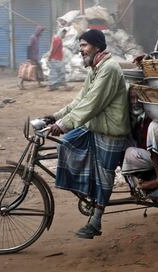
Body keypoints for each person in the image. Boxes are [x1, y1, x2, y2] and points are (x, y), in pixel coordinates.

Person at [45, 29, 130, 239]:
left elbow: (91, 105)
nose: (81, 50)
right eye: (80, 46)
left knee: (105, 175)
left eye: (84, 45)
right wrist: (54, 117)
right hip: (95, 126)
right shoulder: (95, 68)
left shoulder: (109, 68)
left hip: (111, 131)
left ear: (97, 47)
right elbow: (80, 100)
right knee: (66, 143)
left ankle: (96, 220)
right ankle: (86, 190)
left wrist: (64, 123)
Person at [18, 26, 46, 90]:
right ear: (38, 31)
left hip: (35, 57)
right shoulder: (32, 37)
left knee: (38, 69)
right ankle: (20, 83)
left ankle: (39, 83)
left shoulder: (37, 38)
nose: (42, 33)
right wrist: (29, 58)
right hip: (32, 57)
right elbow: (29, 47)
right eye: (41, 32)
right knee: (29, 70)